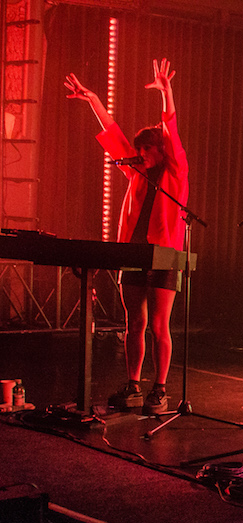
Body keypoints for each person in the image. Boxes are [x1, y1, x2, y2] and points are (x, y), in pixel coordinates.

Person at [65, 59, 189, 416]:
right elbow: (113, 135)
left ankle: (160, 388)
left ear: (159, 150)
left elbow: (171, 130)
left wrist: (167, 92)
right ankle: (134, 382)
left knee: (159, 325)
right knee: (134, 322)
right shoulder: (137, 171)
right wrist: (92, 100)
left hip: (164, 254)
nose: (140, 155)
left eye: (146, 150)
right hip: (133, 252)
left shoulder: (176, 171)